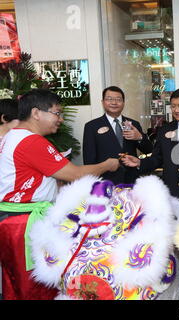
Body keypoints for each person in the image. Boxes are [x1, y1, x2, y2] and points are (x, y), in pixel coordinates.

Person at [0, 89, 119, 300]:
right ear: (36, 113)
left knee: (16, 284)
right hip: (24, 224)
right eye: (57, 113)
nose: (61, 119)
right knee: (36, 287)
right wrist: (107, 165)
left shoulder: (13, 136)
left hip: (11, 221)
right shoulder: (30, 141)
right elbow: (75, 174)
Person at [121, 87, 179, 208]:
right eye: (173, 106)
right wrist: (140, 162)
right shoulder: (164, 130)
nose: (176, 110)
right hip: (171, 197)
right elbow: (157, 159)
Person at [82, 86, 152, 185]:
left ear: (123, 102)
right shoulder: (92, 126)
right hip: (105, 182)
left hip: (131, 180)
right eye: (109, 99)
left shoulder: (133, 124)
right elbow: (89, 160)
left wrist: (140, 137)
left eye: (118, 99)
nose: (114, 103)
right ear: (103, 102)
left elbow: (149, 150)